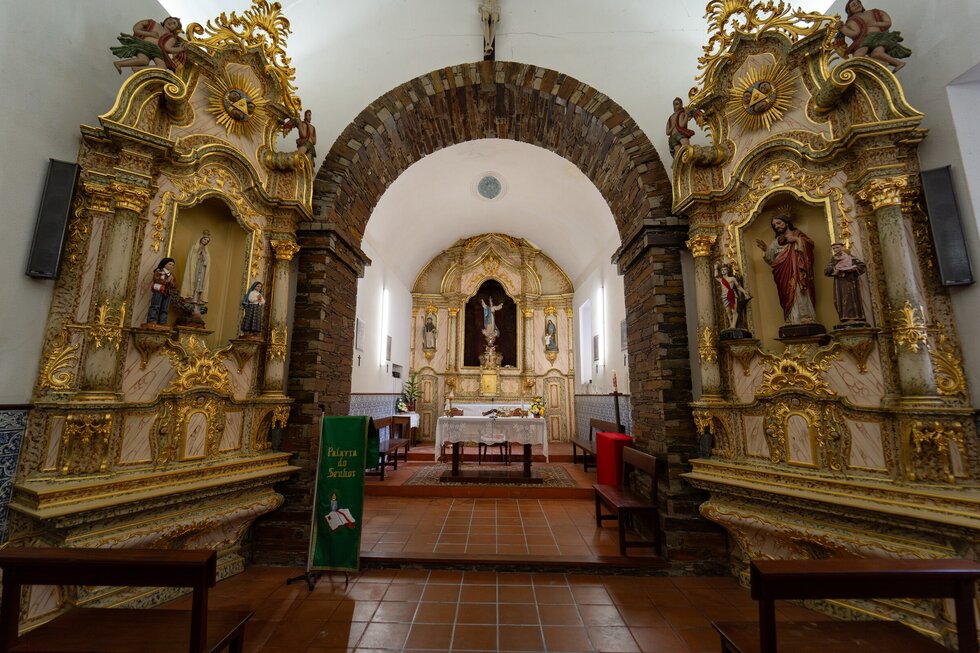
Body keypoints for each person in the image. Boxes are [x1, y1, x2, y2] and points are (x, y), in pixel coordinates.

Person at [755, 211, 818, 326]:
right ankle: (790, 318)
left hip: (797, 271)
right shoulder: (776, 241)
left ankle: (805, 317)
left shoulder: (797, 234)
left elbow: (810, 244)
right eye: (774, 225)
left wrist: (797, 240)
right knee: (786, 294)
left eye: (779, 223)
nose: (777, 226)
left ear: (786, 222)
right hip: (783, 274)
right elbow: (771, 259)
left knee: (799, 291)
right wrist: (765, 249)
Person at [835, 0, 911, 72]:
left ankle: (897, 63)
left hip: (879, 37)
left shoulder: (874, 12)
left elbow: (888, 22)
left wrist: (876, 23)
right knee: (858, 56)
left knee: (876, 53)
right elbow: (854, 34)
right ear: (849, 10)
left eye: (858, 3)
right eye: (853, 5)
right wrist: (842, 28)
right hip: (865, 40)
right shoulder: (852, 21)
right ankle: (883, 64)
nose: (857, 5)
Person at [111, 17, 186, 74]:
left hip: (157, 51)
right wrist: (149, 34)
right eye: (170, 19)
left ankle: (137, 69)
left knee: (162, 67)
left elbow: (168, 48)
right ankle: (119, 64)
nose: (171, 22)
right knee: (144, 60)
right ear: (166, 19)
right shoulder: (153, 24)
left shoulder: (171, 38)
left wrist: (180, 49)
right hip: (145, 45)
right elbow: (136, 29)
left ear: (175, 29)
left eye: (174, 23)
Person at [824, 243, 868, 323]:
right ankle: (844, 317)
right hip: (839, 282)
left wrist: (851, 269)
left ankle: (853, 317)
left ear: (842, 248)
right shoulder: (834, 259)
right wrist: (834, 268)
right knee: (839, 299)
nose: (835, 250)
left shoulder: (850, 257)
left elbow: (862, 266)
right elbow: (826, 271)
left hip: (850, 281)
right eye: (833, 248)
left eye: (837, 247)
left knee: (849, 298)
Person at [716, 262, 752, 332]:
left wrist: (744, 292)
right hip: (724, 296)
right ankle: (731, 324)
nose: (723, 271)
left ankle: (733, 325)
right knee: (728, 312)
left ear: (727, 271)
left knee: (733, 310)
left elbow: (738, 286)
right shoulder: (721, 280)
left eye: (725, 269)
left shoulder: (732, 278)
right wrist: (715, 268)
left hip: (732, 295)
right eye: (722, 270)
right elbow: (715, 276)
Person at [180, 231, 212, 304]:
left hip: (202, 269)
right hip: (195, 268)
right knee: (194, 280)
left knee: (200, 283)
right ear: (201, 239)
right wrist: (198, 254)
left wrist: (204, 257)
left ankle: (197, 299)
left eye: (207, 241)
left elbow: (207, 261)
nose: (205, 241)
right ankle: (190, 297)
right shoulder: (195, 247)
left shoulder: (206, 251)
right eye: (205, 239)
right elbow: (192, 258)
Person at [146, 257, 176, 327]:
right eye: (170, 264)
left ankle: (162, 322)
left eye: (172, 265)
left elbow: (175, 284)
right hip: (159, 291)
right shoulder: (159, 271)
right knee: (155, 306)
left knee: (165, 308)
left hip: (167, 292)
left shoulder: (171, 275)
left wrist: (172, 283)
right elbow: (156, 279)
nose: (171, 266)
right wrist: (166, 281)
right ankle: (151, 320)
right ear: (165, 264)